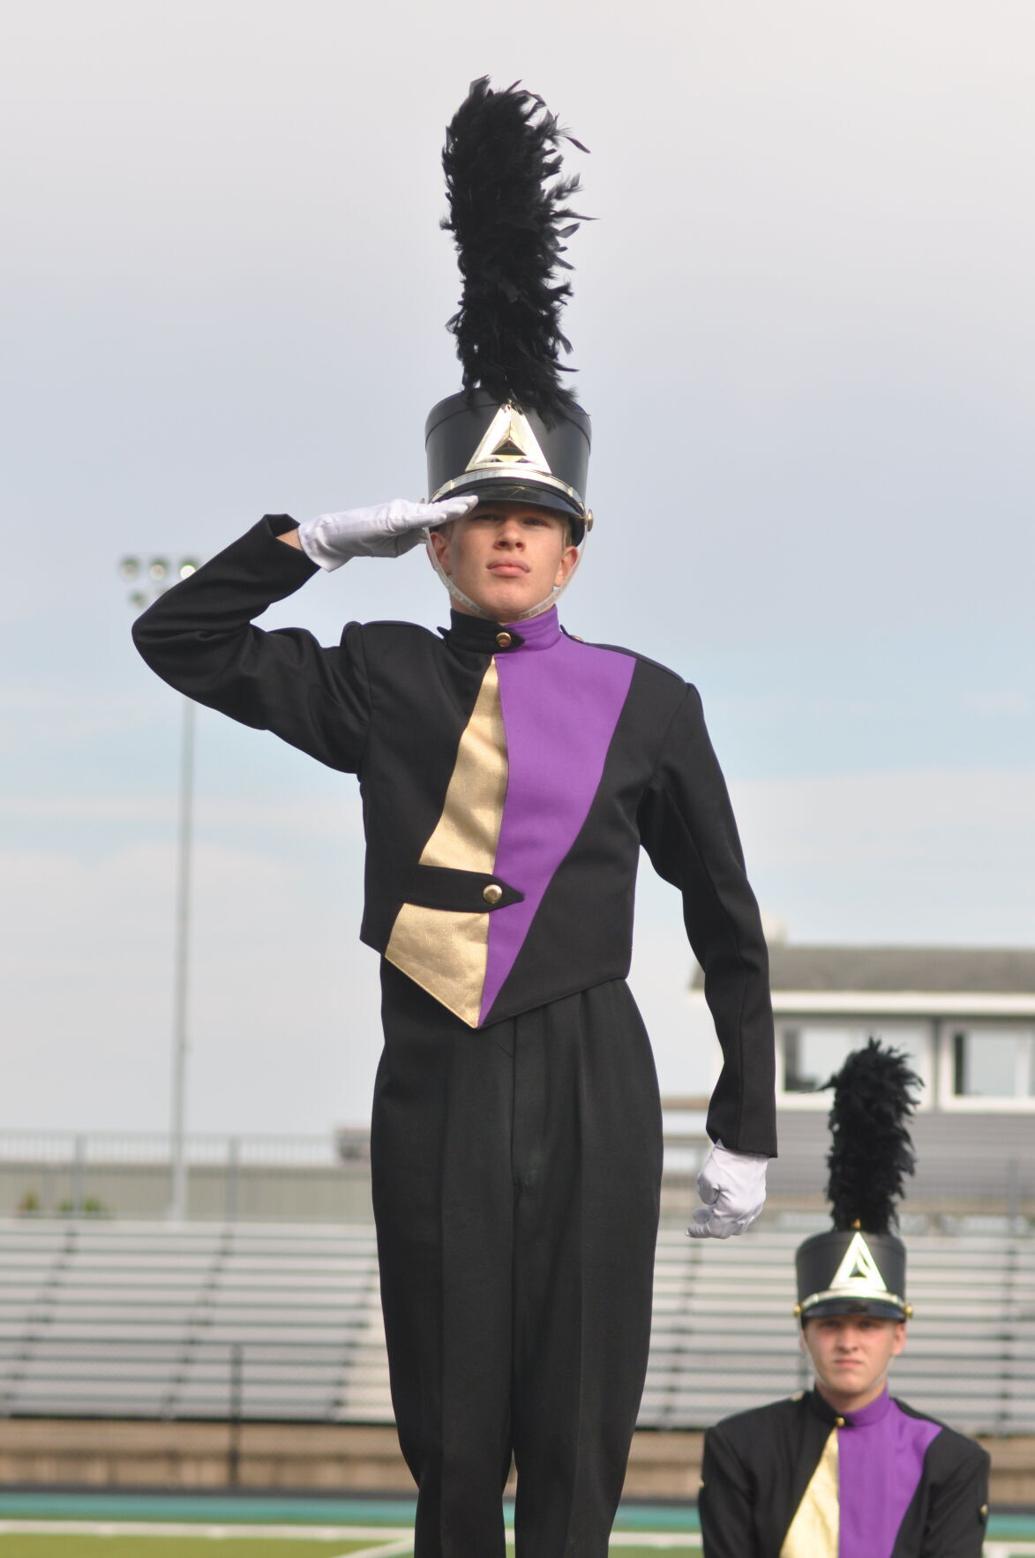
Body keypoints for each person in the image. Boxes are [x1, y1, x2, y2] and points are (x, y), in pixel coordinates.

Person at [133, 78, 777, 1558]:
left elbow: (725, 917)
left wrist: (743, 1114)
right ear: (435, 537)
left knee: (577, 1424)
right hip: (434, 1067)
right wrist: (306, 544)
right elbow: (179, 640)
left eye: (535, 518)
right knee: (452, 1431)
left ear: (572, 548)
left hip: (593, 1066)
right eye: (480, 515)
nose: (508, 535)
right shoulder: (380, 674)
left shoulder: (650, 700)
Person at [699, 1041, 990, 1558]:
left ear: (899, 1334)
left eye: (868, 1325)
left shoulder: (952, 1460)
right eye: (830, 1324)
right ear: (804, 1332)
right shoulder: (740, 1446)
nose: (848, 1341)